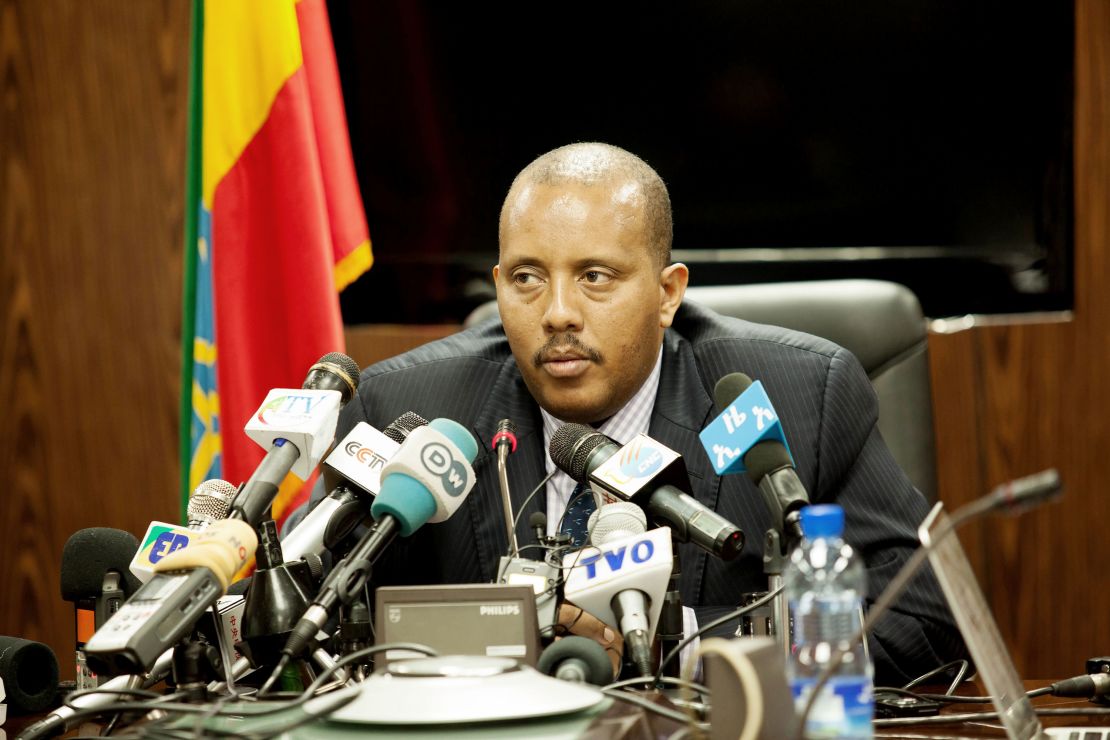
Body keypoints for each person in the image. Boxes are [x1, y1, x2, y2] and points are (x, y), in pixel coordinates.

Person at [289, 142, 966, 684]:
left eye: (596, 277)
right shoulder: (411, 407)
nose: (557, 312)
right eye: (527, 278)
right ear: (498, 289)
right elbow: (300, 612)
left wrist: (681, 644)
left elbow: (927, 614)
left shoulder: (797, 396)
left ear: (668, 293)